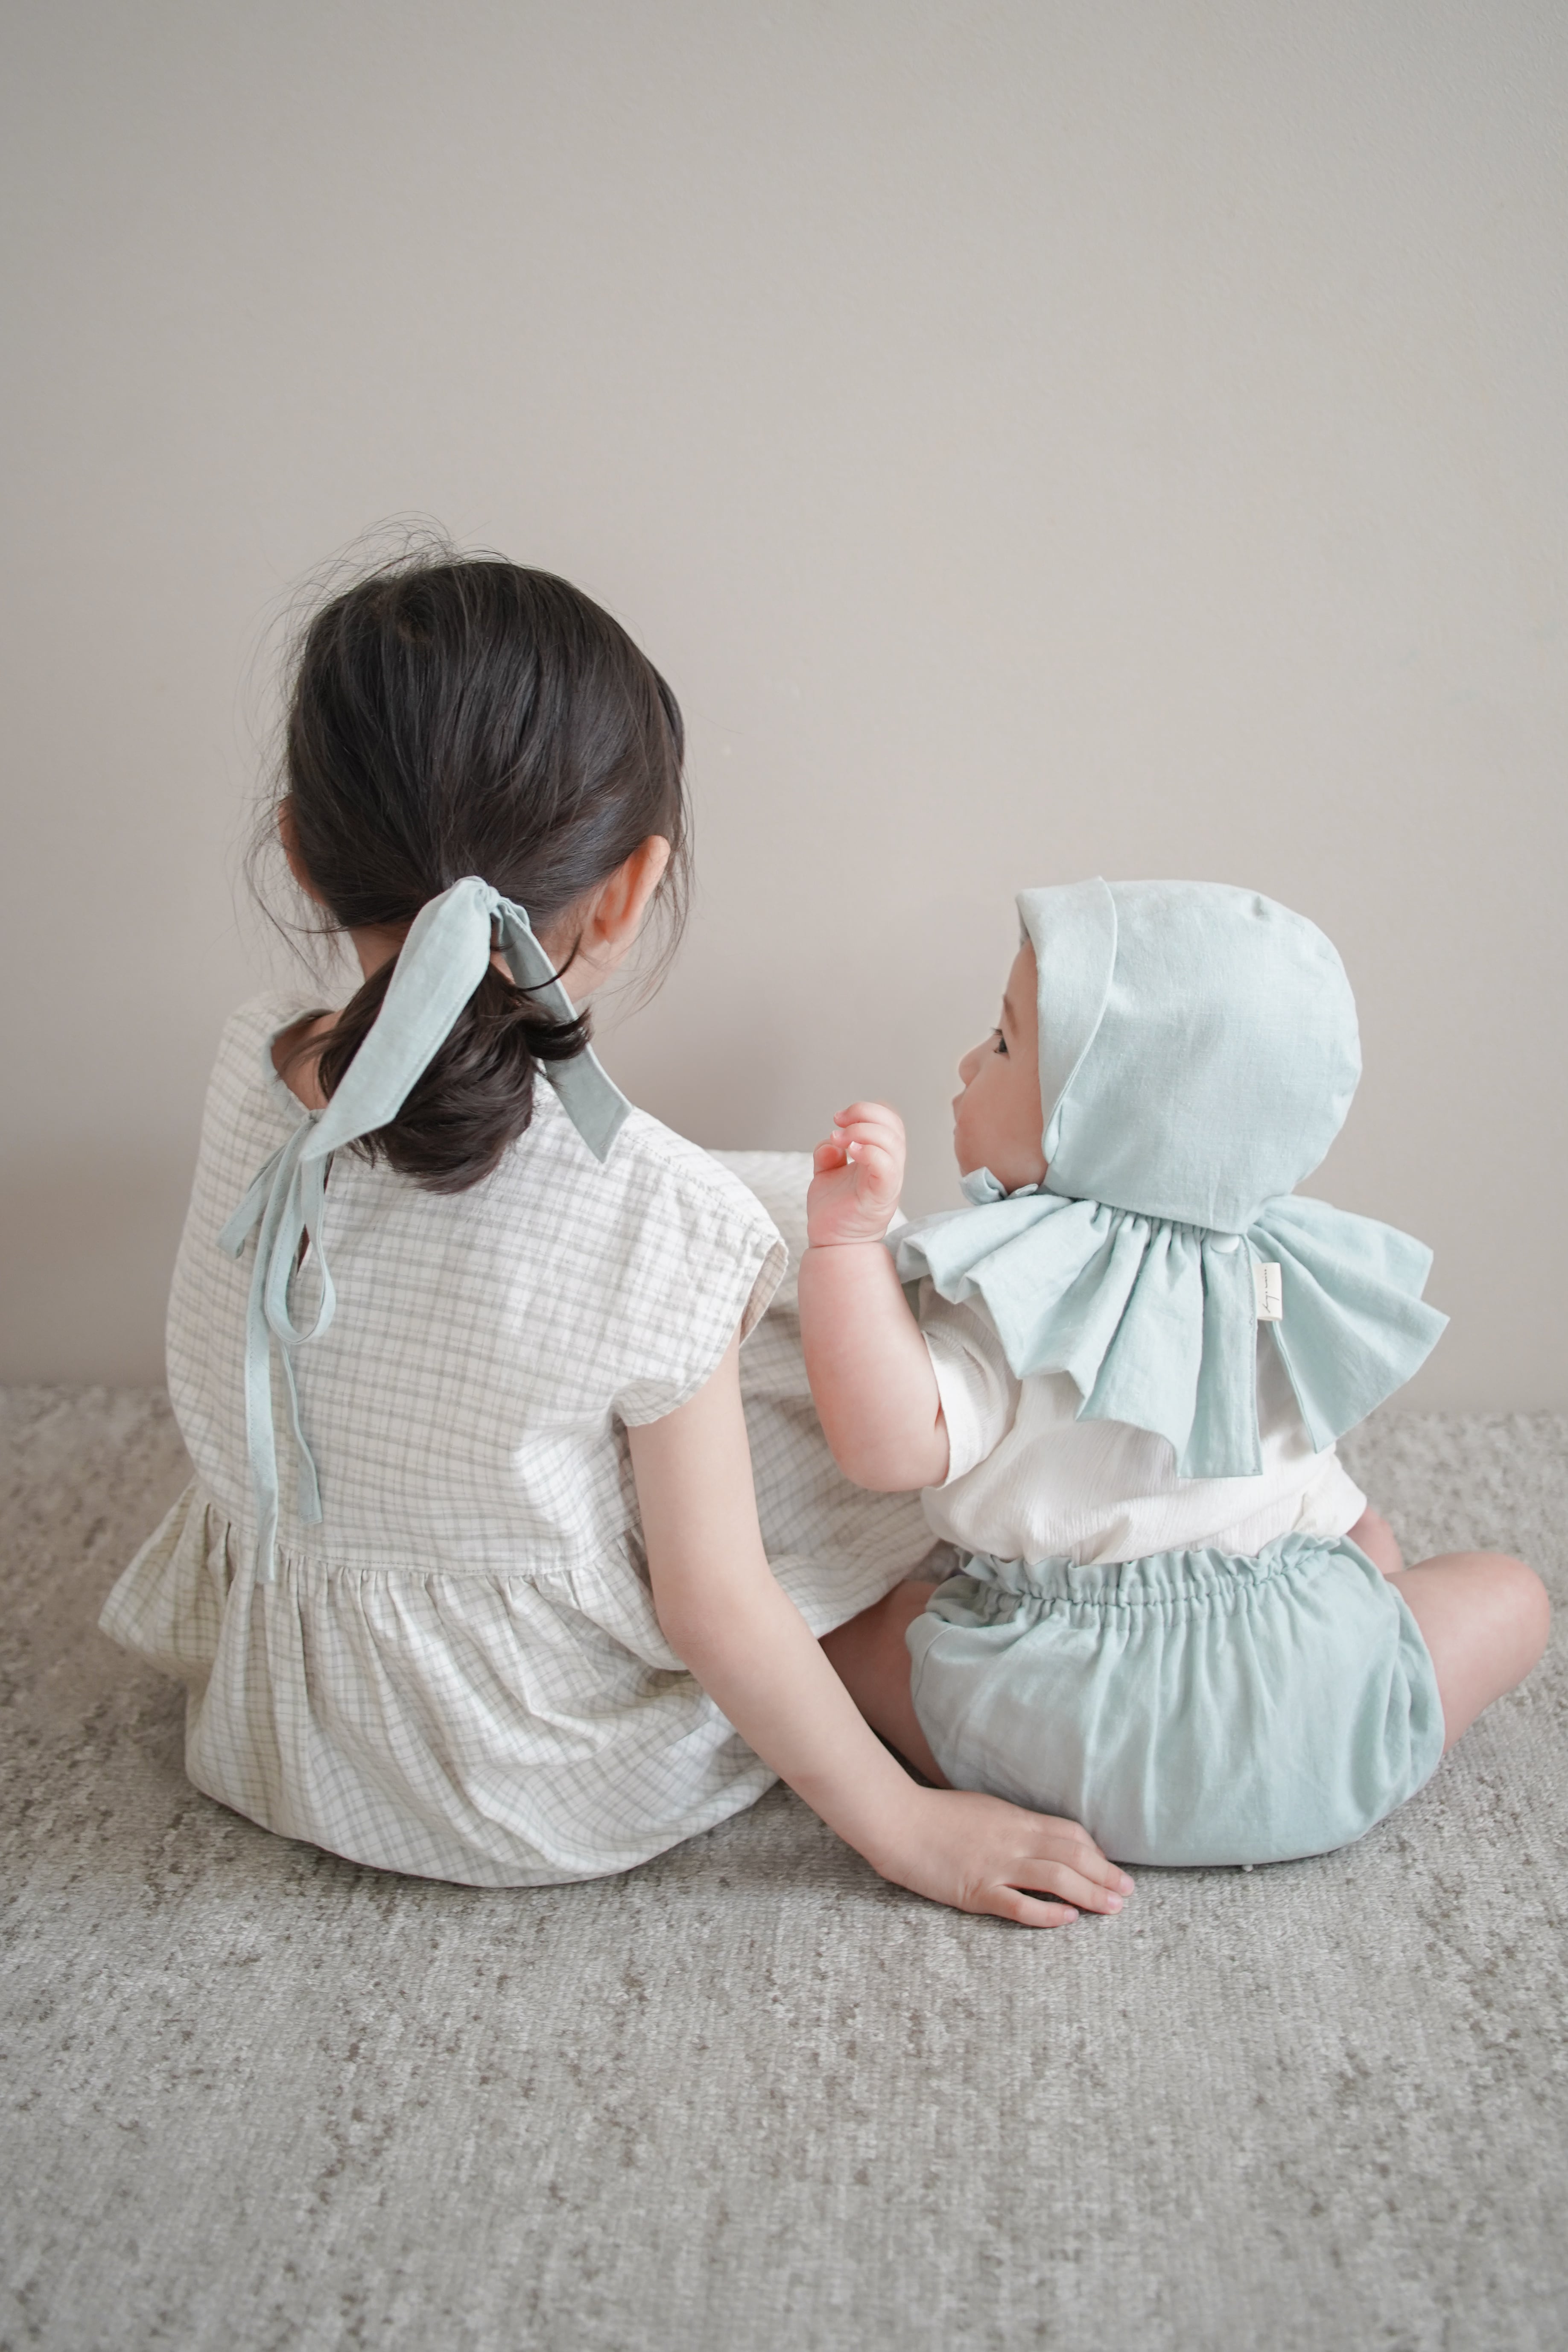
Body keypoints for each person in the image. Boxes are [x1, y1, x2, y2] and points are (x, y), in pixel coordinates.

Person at [100, 552, 1131, 1927]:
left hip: (284, 1729)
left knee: (737, 1281)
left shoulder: (251, 1060)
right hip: (519, 1773)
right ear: (632, 887)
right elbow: (714, 1605)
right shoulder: (650, 1219)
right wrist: (904, 1831)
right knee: (833, 1387)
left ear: (298, 848)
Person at [801, 879, 1549, 1867]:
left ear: (1113, 1114)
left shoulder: (1021, 1283)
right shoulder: (1270, 1273)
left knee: (840, 1629)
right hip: (1315, 1713)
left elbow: (888, 1445)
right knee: (1509, 1593)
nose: (968, 1062)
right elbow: (1302, 1469)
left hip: (1060, 1728)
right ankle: (1295, 1742)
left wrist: (843, 1248)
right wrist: (1357, 1566)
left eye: (1005, 1043)